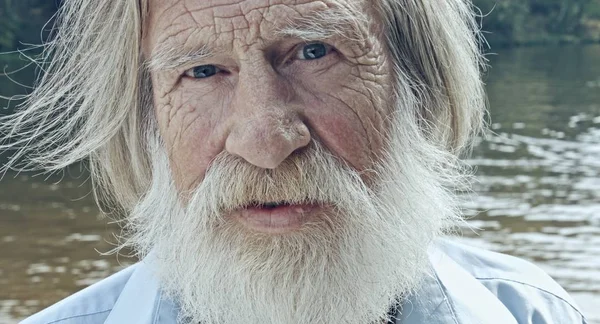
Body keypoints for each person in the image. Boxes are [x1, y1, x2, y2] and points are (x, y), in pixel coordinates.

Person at [1, 0, 587, 323]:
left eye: (314, 51)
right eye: (202, 72)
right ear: (147, 119)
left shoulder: (540, 314)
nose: (266, 140)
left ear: (415, 86)